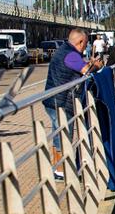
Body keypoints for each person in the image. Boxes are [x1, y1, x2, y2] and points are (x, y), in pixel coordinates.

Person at [43, 29, 103, 179]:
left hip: (54, 100)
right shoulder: (71, 55)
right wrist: (97, 65)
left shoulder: (64, 51)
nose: (86, 46)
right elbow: (85, 70)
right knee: (64, 137)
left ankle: (58, 169)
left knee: (60, 135)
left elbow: (79, 65)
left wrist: (89, 62)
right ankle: (60, 171)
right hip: (62, 102)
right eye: (86, 43)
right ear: (81, 42)